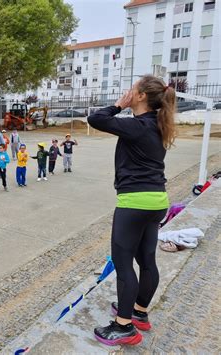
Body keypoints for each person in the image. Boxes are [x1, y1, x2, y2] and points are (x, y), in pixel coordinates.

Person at [88, 75, 176, 346]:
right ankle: (139, 312)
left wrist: (118, 105)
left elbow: (97, 119)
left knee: (124, 263)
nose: (128, 92)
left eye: (132, 89)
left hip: (134, 203)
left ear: (139, 97)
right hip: (158, 201)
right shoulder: (157, 125)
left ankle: (123, 326)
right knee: (147, 260)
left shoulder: (137, 126)